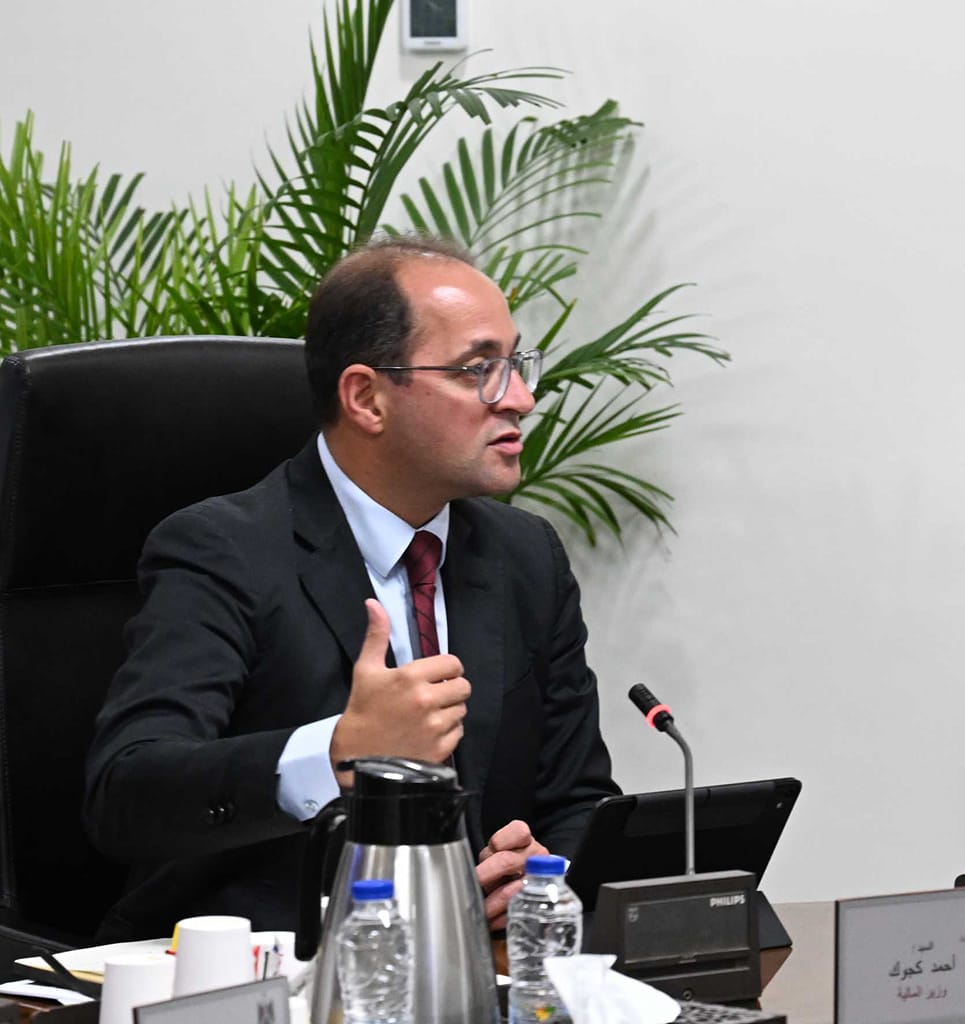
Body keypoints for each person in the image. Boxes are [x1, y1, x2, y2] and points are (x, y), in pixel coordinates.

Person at [83, 236, 620, 939]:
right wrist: (339, 750)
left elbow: (580, 798)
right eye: (478, 370)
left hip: (465, 966)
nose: (520, 397)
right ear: (366, 398)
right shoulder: (224, 550)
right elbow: (126, 793)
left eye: (516, 365)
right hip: (266, 966)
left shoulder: (526, 557)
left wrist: (541, 877)